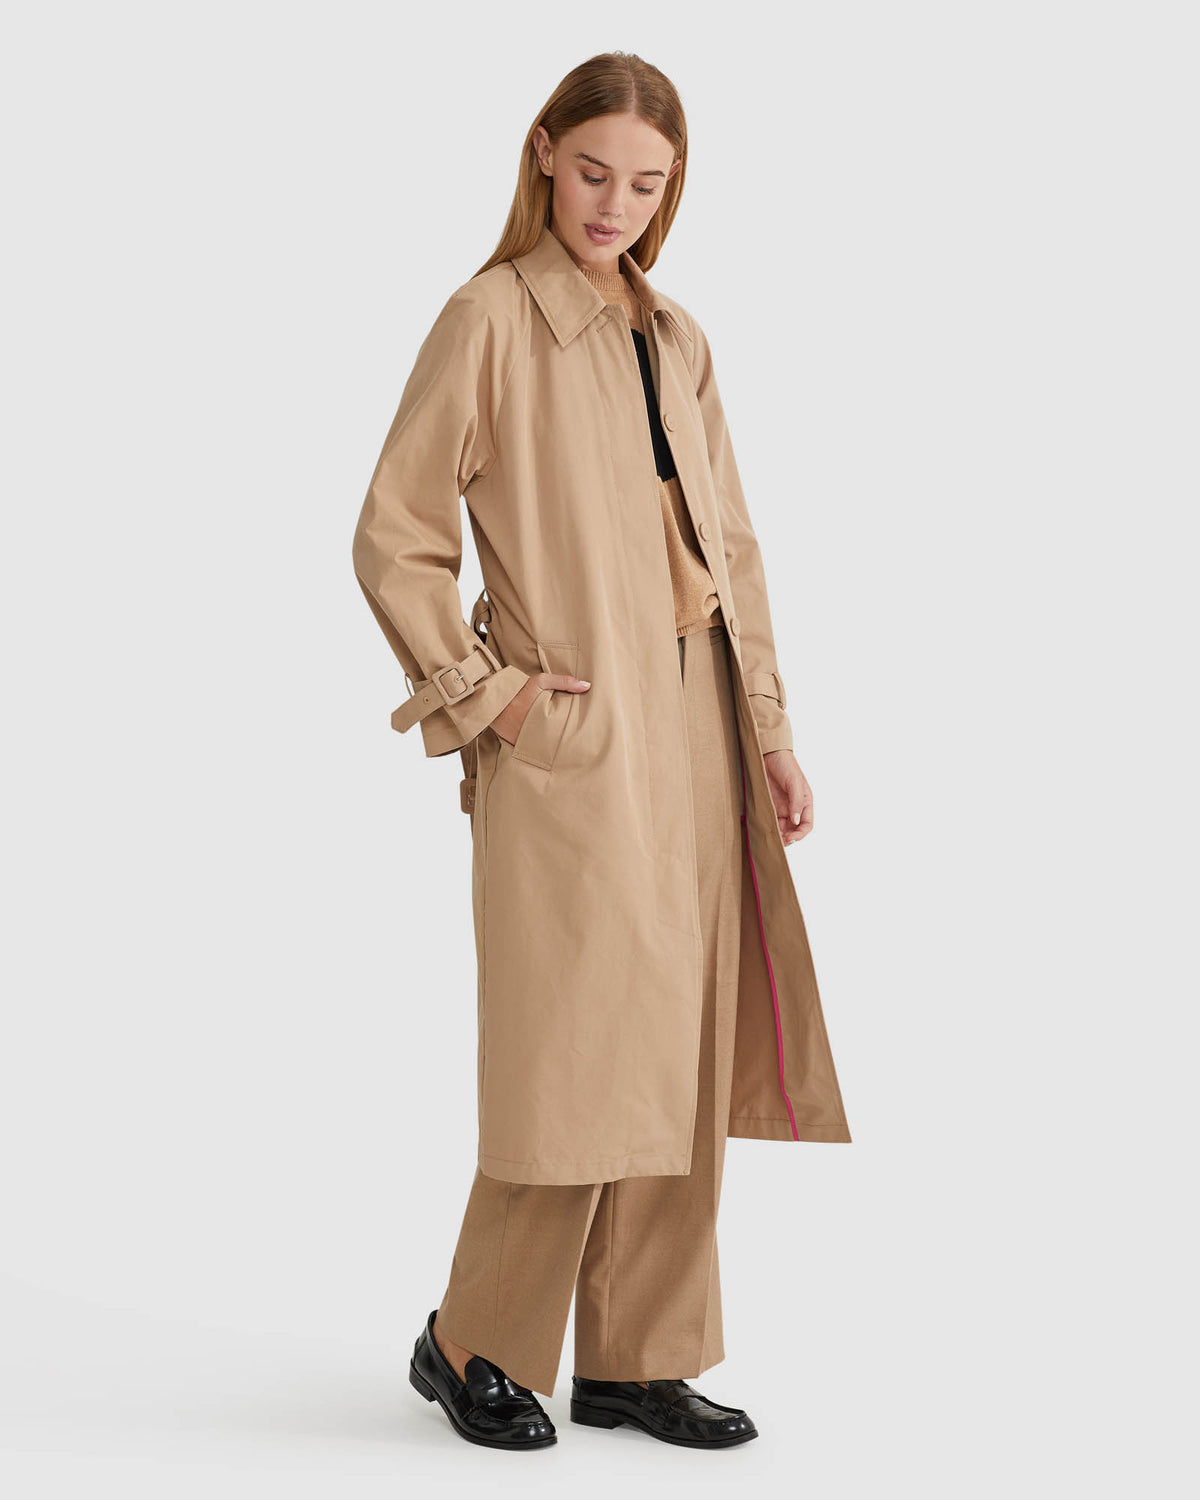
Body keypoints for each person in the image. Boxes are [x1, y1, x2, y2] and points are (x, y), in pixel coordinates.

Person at [351, 50, 851, 1452]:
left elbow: (733, 549)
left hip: (698, 722)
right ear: (542, 154)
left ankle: (638, 1357)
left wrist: (770, 735)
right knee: (572, 1047)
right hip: (571, 730)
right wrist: (490, 696)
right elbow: (393, 534)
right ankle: (473, 1342)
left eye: (645, 183)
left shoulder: (677, 337)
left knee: (681, 1042)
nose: (613, 205)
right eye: (592, 173)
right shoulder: (488, 319)